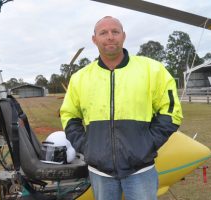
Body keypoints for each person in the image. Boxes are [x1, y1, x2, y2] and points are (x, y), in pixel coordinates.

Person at [60, 16, 183, 200]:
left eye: (115, 32)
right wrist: (87, 147)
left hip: (141, 170)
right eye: (103, 33)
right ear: (94, 39)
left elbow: (172, 112)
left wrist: (147, 144)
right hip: (100, 173)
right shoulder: (80, 78)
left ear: (123, 36)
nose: (110, 37)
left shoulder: (152, 70)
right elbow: (69, 115)